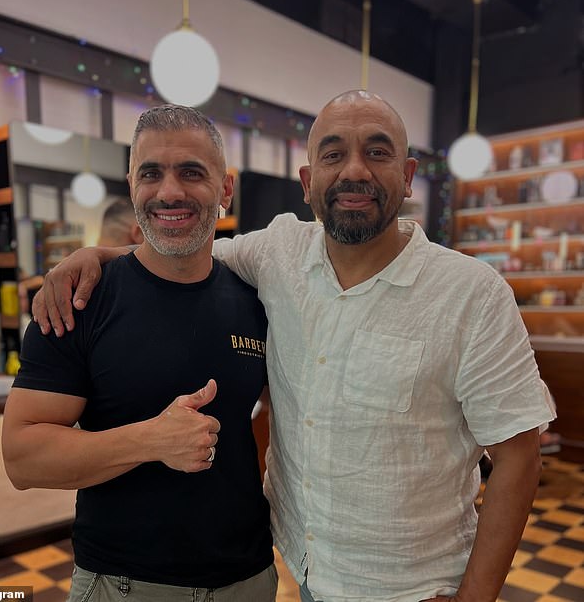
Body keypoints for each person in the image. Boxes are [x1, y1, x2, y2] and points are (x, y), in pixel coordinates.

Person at [32, 91, 555, 602]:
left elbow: (519, 457)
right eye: (333, 154)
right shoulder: (276, 255)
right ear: (308, 183)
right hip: (301, 573)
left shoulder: (472, 294)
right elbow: (180, 244)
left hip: (413, 585)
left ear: (408, 176)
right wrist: (97, 256)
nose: (354, 171)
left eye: (377, 152)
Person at [2, 105, 277, 601]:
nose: (169, 191)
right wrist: (151, 440)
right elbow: (22, 457)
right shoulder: (80, 299)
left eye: (191, 172)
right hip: (125, 584)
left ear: (226, 188)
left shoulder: (256, 298)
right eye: (151, 173)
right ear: (132, 186)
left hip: (250, 579)